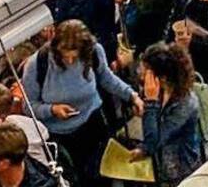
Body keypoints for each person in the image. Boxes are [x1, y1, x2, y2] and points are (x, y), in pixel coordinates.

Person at [20, 20, 142, 185]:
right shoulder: (37, 65)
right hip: (61, 137)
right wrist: (52, 110)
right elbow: (29, 107)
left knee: (105, 172)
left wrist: (132, 95)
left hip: (93, 124)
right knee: (78, 180)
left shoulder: (94, 52)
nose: (70, 60)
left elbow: (106, 78)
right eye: (64, 55)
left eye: (75, 56)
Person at [136, 43, 206, 185]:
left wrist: (150, 104)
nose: (140, 74)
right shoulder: (156, 91)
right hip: (161, 165)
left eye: (146, 73)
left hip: (180, 170)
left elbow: (152, 143)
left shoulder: (185, 105)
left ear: (162, 78)